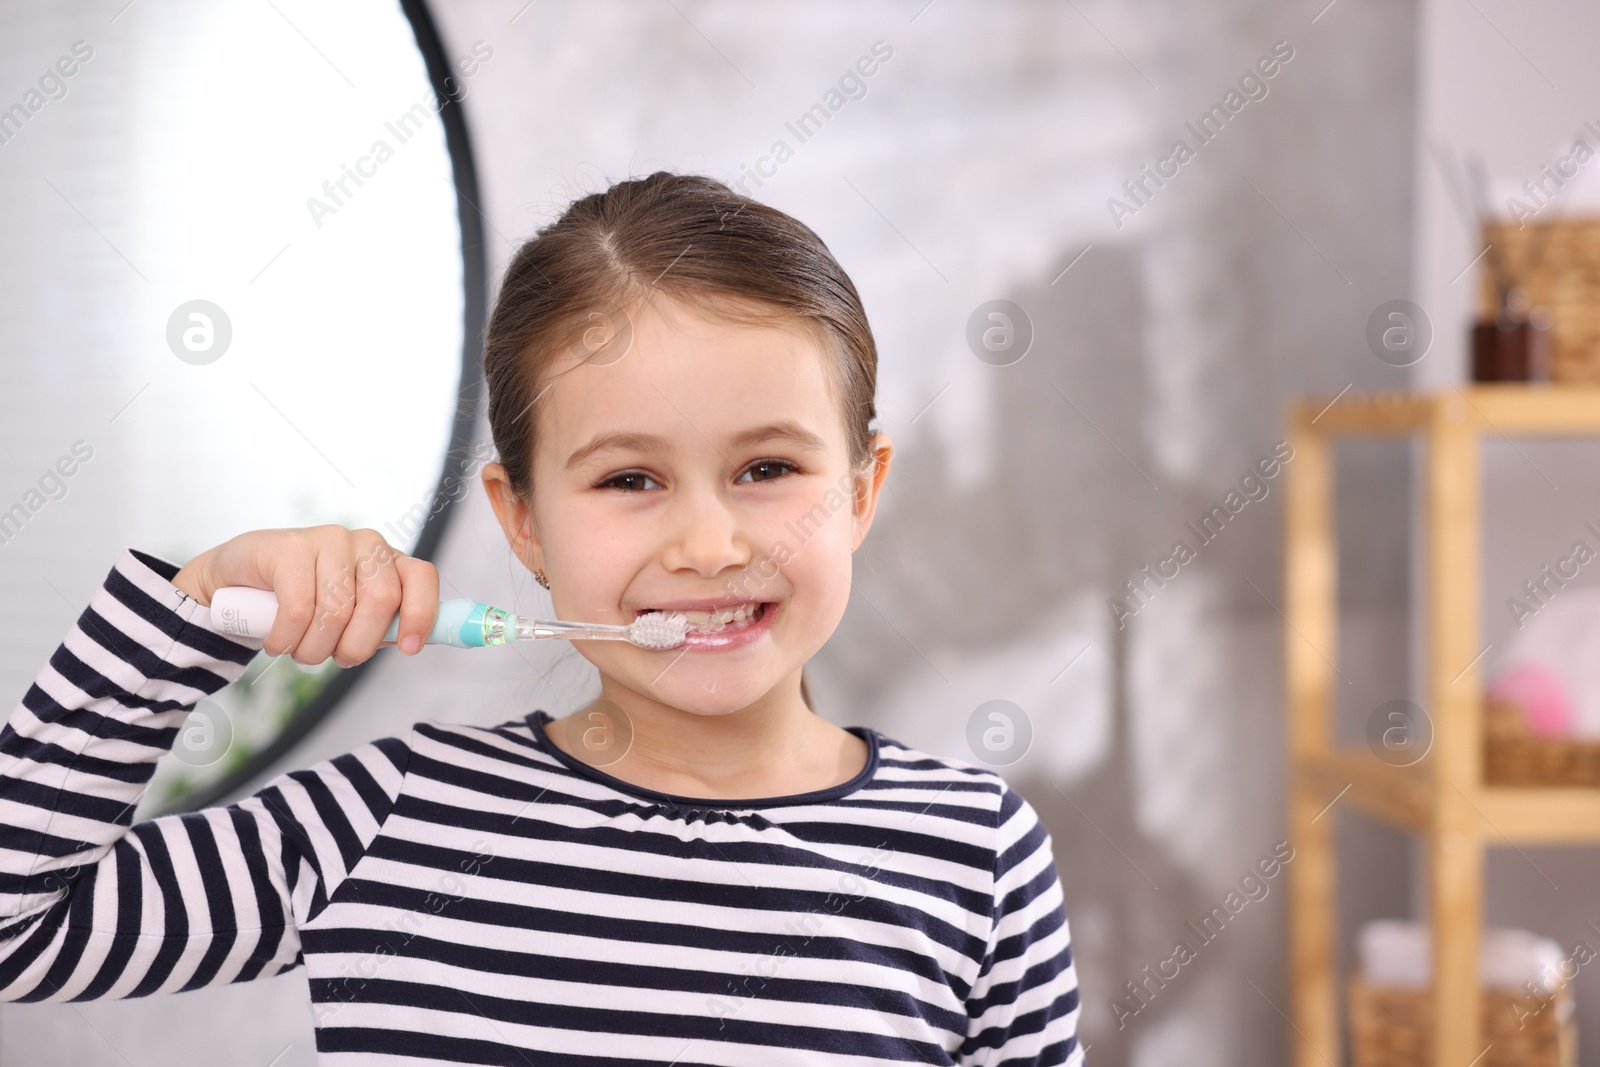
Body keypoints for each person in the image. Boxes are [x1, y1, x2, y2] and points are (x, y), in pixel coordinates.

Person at [0, 171, 1083, 1064]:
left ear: (858, 488)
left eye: (765, 466)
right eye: (628, 480)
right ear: (522, 521)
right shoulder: (390, 820)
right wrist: (193, 611)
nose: (707, 545)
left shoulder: (973, 854)